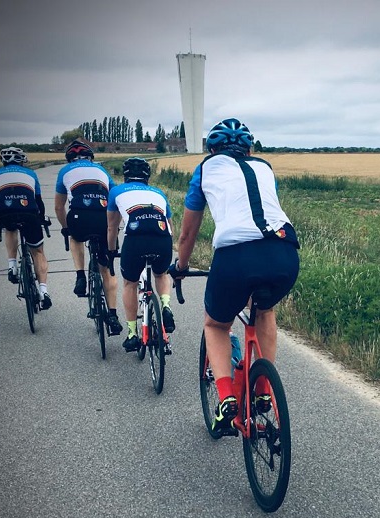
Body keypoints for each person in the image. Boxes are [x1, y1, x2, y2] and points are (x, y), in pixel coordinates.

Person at [169, 117, 300, 434]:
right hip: (284, 252)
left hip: (236, 255)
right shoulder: (264, 167)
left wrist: (181, 267)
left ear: (212, 151)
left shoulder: (205, 169)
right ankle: (263, 390)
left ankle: (227, 397)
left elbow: (187, 234)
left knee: (216, 324)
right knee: (264, 310)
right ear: (250, 150)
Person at [106, 157, 175, 352]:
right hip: (162, 240)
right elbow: (170, 226)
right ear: (147, 177)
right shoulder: (158, 192)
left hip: (136, 241)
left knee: (130, 283)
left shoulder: (116, 191)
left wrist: (111, 250)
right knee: (161, 274)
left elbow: (112, 227)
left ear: (126, 176)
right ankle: (166, 306)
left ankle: (132, 334)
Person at [55, 139, 122, 335]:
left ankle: (80, 276)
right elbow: (115, 198)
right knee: (107, 270)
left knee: (75, 237)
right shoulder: (102, 170)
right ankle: (113, 315)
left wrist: (66, 228)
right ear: (90, 158)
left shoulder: (64, 171)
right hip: (103, 219)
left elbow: (59, 207)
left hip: (79, 217)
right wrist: (114, 228)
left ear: (70, 159)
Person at [0, 147, 52, 309]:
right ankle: (43, 292)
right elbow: (38, 201)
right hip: (29, 213)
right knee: (38, 252)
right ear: (22, 161)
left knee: (10, 229)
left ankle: (12, 267)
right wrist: (41, 218)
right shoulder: (31, 174)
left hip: (5, 212)